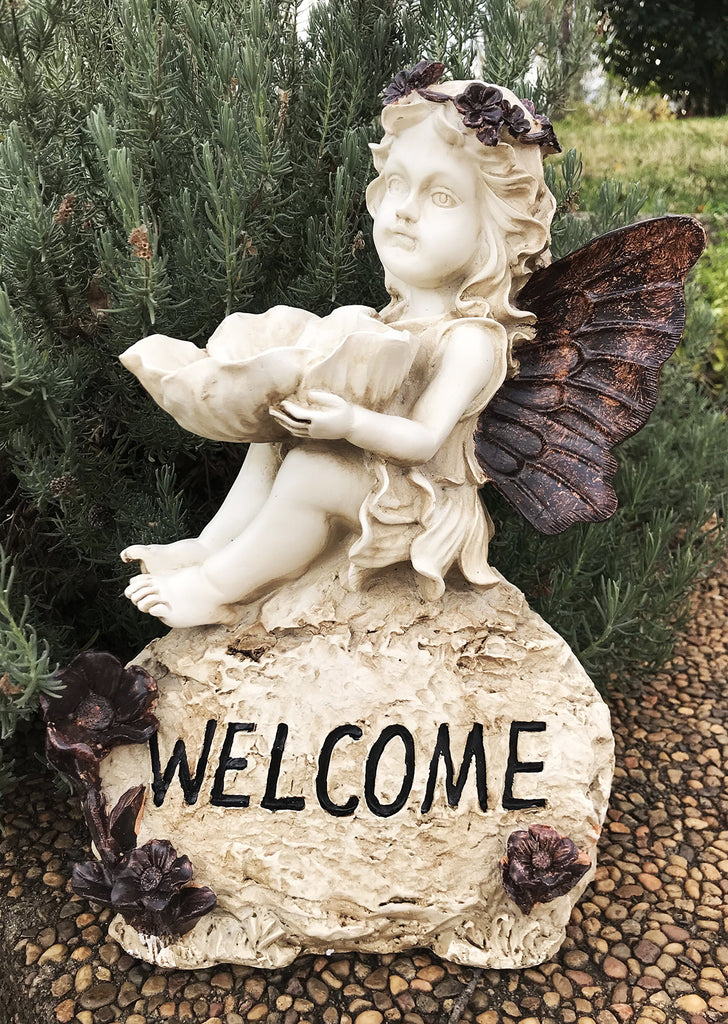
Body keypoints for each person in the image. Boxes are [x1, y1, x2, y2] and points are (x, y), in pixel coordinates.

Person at [121, 74, 557, 628]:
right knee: (276, 436)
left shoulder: (469, 339)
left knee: (312, 471)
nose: (405, 210)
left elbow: (423, 441)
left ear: (495, 228)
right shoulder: (389, 319)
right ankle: (214, 548)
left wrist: (349, 422)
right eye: (397, 184)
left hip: (422, 502)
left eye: (441, 196)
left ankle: (219, 591)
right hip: (375, 477)